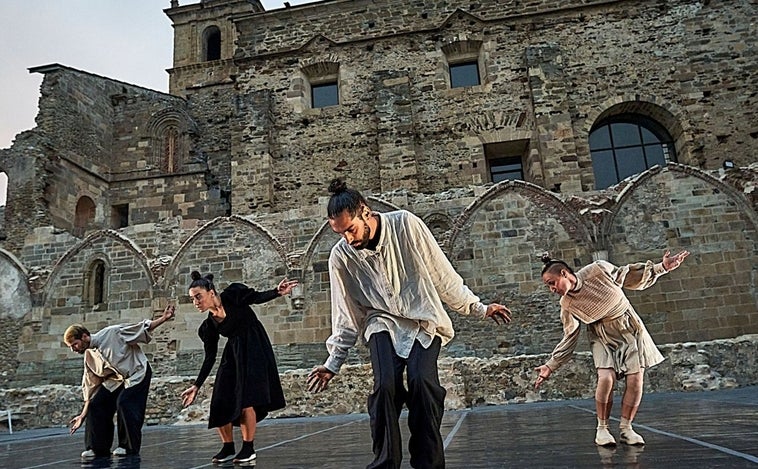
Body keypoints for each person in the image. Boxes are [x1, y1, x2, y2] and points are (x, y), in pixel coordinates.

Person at [306, 179, 512, 469]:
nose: (348, 239)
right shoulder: (341, 256)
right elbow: (346, 314)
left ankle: (428, 463)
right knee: (385, 387)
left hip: (423, 320)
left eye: (350, 229)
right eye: (340, 233)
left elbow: (443, 275)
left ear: (365, 212)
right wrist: (333, 363)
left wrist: (478, 308)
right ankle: (385, 462)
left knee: (422, 383)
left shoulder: (406, 224)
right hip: (381, 323)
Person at [534, 250, 690, 446]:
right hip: (601, 334)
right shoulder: (567, 304)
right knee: (606, 378)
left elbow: (628, 275)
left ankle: (626, 428)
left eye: (552, 283)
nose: (552, 289)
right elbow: (570, 335)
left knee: (635, 380)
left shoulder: (598, 269)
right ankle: (602, 429)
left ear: (564, 273)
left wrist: (662, 267)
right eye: (548, 286)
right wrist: (550, 365)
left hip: (629, 327)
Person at [180, 271, 298, 465]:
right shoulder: (208, 326)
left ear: (211, 292)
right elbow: (209, 357)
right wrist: (196, 385)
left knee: (246, 399)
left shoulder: (233, 295)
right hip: (233, 352)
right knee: (219, 399)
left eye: (198, 296)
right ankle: (228, 446)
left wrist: (276, 292)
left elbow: (256, 297)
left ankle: (248, 447)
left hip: (254, 346)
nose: (196, 302)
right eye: (192, 299)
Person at [65, 304, 176, 459]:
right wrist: (83, 414)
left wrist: (163, 319)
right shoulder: (89, 356)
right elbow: (90, 386)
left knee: (125, 403)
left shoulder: (112, 333)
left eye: (74, 344)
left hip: (137, 372)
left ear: (84, 336)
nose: (73, 349)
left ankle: (128, 447)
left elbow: (140, 328)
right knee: (96, 405)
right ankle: (97, 448)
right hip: (117, 380)